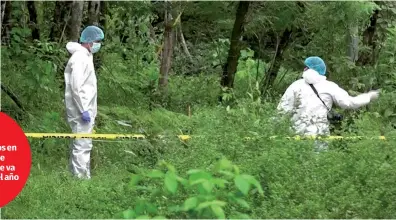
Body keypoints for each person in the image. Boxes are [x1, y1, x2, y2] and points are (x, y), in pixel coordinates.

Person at [276, 56, 380, 152]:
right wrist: (369, 96)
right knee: (317, 166)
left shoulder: (295, 86)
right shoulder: (329, 86)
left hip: (296, 133)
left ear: (307, 69)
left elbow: (282, 110)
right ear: (321, 71)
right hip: (319, 133)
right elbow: (349, 103)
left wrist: (272, 129)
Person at [63, 25, 104, 179]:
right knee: (82, 145)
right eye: (98, 41)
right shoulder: (79, 58)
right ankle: (80, 180)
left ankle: (79, 175)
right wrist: (83, 110)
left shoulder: (86, 56)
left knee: (83, 143)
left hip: (85, 108)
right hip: (81, 109)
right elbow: (76, 86)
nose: (98, 44)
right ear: (89, 41)